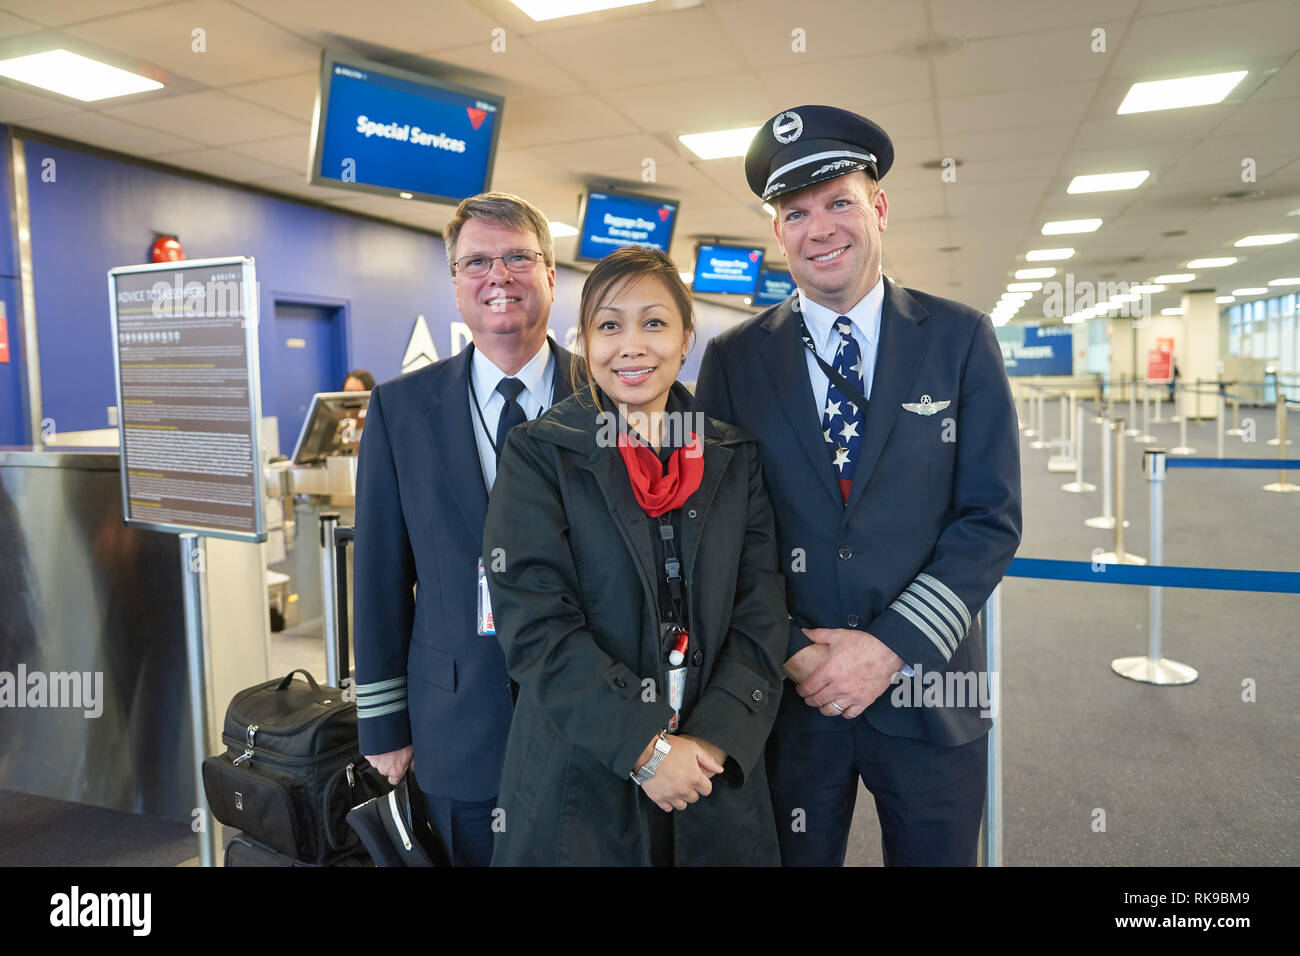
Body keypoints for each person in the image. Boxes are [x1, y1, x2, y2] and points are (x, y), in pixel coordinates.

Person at [695, 105, 1022, 866]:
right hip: (787, 698)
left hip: (929, 688)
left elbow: (989, 519)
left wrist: (889, 649)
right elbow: (714, 531)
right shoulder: (736, 361)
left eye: (839, 201)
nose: (820, 229)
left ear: (878, 207)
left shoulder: (959, 338)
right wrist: (793, 650)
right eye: (795, 212)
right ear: (777, 233)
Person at [482, 246, 787, 866]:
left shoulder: (733, 455)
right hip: (585, 766)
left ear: (685, 338)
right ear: (586, 341)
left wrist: (712, 741)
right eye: (609, 325)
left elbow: (761, 607)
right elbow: (535, 625)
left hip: (711, 769)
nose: (632, 345)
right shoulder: (541, 453)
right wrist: (645, 750)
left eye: (654, 323)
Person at [352, 192, 575, 867]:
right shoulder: (399, 409)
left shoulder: (609, 399)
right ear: (455, 283)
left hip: (589, 726)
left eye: (517, 257)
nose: (497, 276)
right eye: (476, 261)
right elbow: (380, 578)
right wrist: (384, 723)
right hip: (455, 726)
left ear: (551, 276)